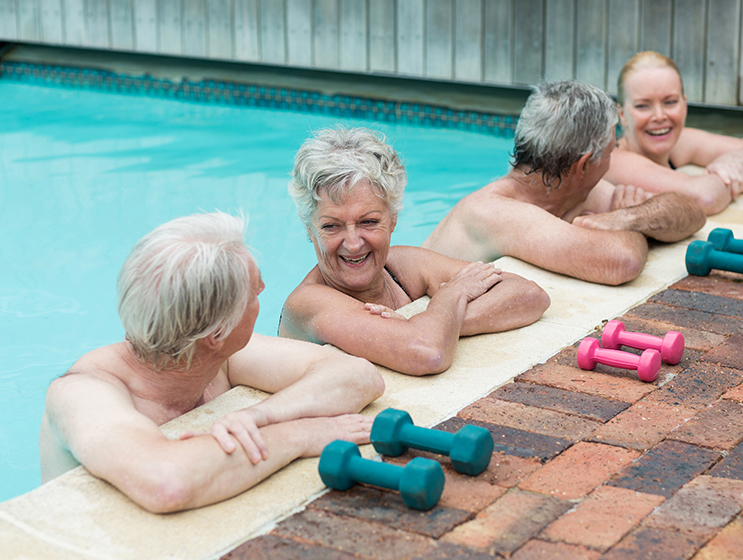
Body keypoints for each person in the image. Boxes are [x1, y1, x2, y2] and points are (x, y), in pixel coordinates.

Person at [39, 212, 385, 513]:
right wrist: (299, 435)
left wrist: (260, 416)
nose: (265, 288)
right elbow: (167, 482)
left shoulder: (220, 357)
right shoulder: (83, 392)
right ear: (217, 334)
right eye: (253, 291)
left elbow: (357, 375)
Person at [278, 127, 550, 376]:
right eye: (331, 226)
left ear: (393, 218)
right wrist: (452, 294)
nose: (352, 243)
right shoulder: (308, 303)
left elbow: (529, 295)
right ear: (309, 228)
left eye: (368, 222)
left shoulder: (403, 265)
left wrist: (442, 322)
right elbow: (427, 353)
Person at [422, 80, 707, 286]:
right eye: (611, 150)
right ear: (583, 165)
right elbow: (620, 261)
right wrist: (632, 223)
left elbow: (691, 211)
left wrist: (629, 215)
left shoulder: (572, 192)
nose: (613, 156)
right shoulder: (495, 212)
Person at [605, 51, 743, 215]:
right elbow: (705, 198)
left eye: (670, 102)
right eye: (642, 106)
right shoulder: (614, 160)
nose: (659, 116)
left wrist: (733, 162)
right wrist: (735, 182)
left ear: (684, 104)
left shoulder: (680, 142)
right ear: (621, 114)